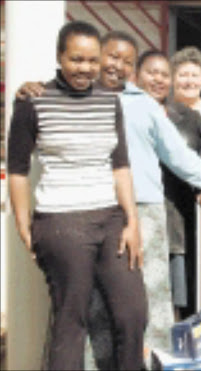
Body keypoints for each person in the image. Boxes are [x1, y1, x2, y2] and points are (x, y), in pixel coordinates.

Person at [15, 31, 201, 367]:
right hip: (78, 216)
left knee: (137, 308)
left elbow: (182, 160)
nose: (117, 66)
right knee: (83, 311)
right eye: (111, 56)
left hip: (138, 215)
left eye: (126, 61)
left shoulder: (143, 105)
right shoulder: (62, 96)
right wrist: (30, 89)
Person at [8, 21, 146, 370]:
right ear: (59, 57)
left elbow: (120, 165)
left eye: (92, 60)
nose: (85, 68)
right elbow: (18, 170)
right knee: (72, 321)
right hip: (60, 221)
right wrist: (24, 224)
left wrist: (132, 221)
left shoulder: (109, 101)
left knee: (133, 314)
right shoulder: (33, 101)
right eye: (76, 59)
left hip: (110, 217)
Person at [136, 49, 201, 319]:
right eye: (152, 73)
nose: (159, 80)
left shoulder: (190, 119)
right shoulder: (122, 112)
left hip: (176, 221)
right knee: (138, 300)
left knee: (177, 301)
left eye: (164, 74)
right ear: (136, 76)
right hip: (134, 221)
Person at [169, 46, 201, 117]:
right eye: (183, 75)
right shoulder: (162, 111)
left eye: (195, 75)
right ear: (172, 79)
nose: (189, 81)